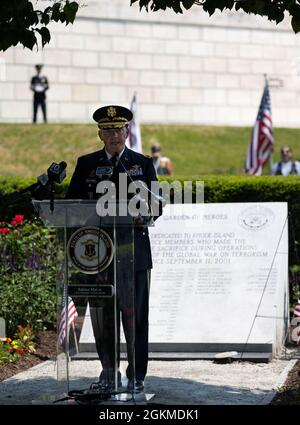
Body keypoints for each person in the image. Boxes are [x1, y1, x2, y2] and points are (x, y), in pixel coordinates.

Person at [66, 105, 162, 393]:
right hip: (98, 253)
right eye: (107, 130)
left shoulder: (141, 164)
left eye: (118, 129)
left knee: (135, 318)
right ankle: (109, 372)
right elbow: (72, 205)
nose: (114, 135)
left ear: (127, 131)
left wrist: (144, 213)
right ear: (99, 133)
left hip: (134, 254)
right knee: (103, 318)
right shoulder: (87, 164)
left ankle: (136, 376)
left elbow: (156, 205)